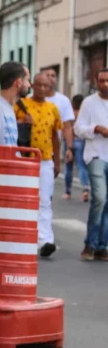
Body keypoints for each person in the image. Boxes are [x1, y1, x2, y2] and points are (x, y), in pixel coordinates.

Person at [14, 73, 62, 258]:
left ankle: (45, 241)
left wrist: (56, 161)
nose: (42, 89)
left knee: (44, 201)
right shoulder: (21, 105)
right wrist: (22, 123)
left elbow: (55, 137)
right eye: (39, 85)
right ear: (32, 85)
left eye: (46, 86)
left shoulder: (52, 108)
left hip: (45, 160)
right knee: (24, 200)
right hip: (24, 159)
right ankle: (23, 238)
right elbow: (11, 129)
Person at [73, 68, 108, 261]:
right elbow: (78, 129)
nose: (104, 84)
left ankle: (102, 246)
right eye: (101, 81)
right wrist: (96, 129)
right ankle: (90, 243)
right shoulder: (89, 102)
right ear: (96, 82)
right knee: (100, 198)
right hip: (96, 156)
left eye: (107, 81)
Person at [42, 68, 75, 175]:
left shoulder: (63, 100)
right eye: (47, 75)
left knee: (48, 185)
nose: (50, 78)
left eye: (53, 75)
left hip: (52, 150)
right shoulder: (29, 99)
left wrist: (69, 148)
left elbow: (68, 126)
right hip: (33, 149)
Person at [64, 94, 90, 201]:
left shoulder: (70, 114)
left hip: (69, 141)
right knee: (81, 166)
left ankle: (68, 192)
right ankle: (85, 188)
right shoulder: (84, 115)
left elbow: (65, 128)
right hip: (81, 141)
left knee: (68, 167)